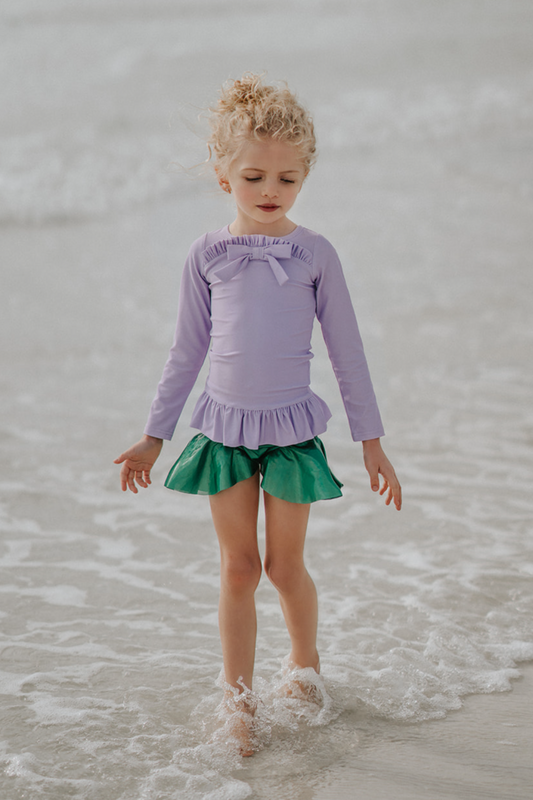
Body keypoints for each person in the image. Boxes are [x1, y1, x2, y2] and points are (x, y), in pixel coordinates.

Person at [114, 74, 401, 754]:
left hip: (292, 431)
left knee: (283, 568)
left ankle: (304, 666)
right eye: (254, 177)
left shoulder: (315, 254)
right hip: (224, 430)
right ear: (223, 176)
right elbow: (186, 350)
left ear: (304, 177)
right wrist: (154, 436)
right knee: (238, 569)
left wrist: (371, 441)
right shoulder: (205, 255)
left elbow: (348, 352)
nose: (270, 190)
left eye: (287, 179)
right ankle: (237, 700)